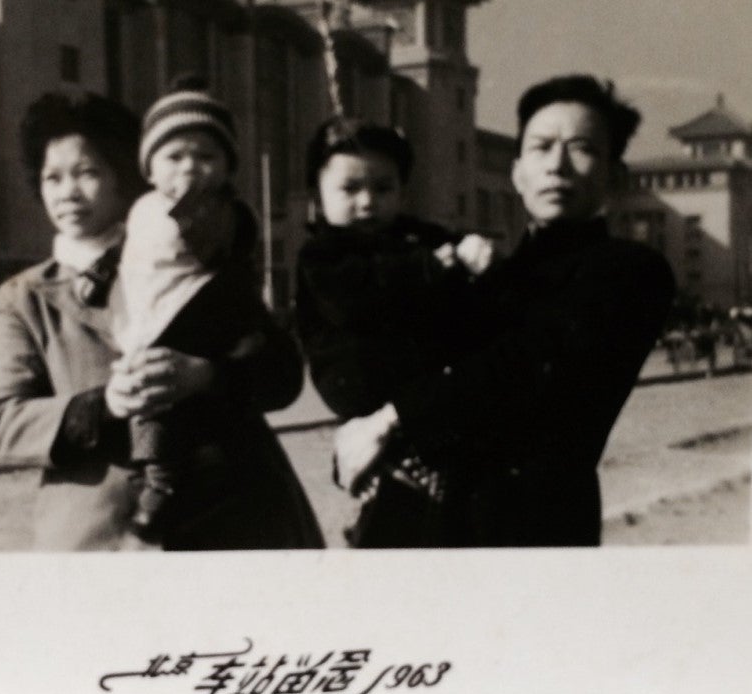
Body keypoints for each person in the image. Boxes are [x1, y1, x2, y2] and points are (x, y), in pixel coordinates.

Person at [333, 75, 676, 547]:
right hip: (425, 524)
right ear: (517, 173)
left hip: (532, 530)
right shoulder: (492, 275)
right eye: (540, 147)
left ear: (615, 177)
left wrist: (391, 421)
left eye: (581, 148)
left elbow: (525, 361)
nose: (557, 165)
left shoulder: (630, 271)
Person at [0, 91, 323, 551]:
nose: (68, 193)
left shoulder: (189, 250)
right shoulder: (23, 299)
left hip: (236, 518)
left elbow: (282, 375)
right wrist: (104, 405)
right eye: (52, 177)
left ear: (124, 176)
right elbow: (3, 424)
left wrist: (207, 375)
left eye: (87, 172)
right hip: (103, 537)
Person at [295, 116, 494, 546]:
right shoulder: (323, 255)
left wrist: (469, 249)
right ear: (318, 194)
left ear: (402, 191)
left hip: (419, 397)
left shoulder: (413, 237)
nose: (367, 203)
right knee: (394, 508)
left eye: (382, 189)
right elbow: (355, 297)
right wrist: (431, 266)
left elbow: (451, 245)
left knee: (441, 503)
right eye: (350, 189)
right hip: (364, 389)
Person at [118, 77, 265, 540]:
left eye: (206, 157)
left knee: (168, 402)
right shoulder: (142, 209)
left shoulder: (226, 211)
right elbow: (124, 255)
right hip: (147, 313)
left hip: (198, 313)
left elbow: (220, 251)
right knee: (147, 400)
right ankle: (152, 473)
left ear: (227, 168)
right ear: (149, 168)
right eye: (175, 156)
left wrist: (195, 208)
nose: (190, 168)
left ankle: (161, 483)